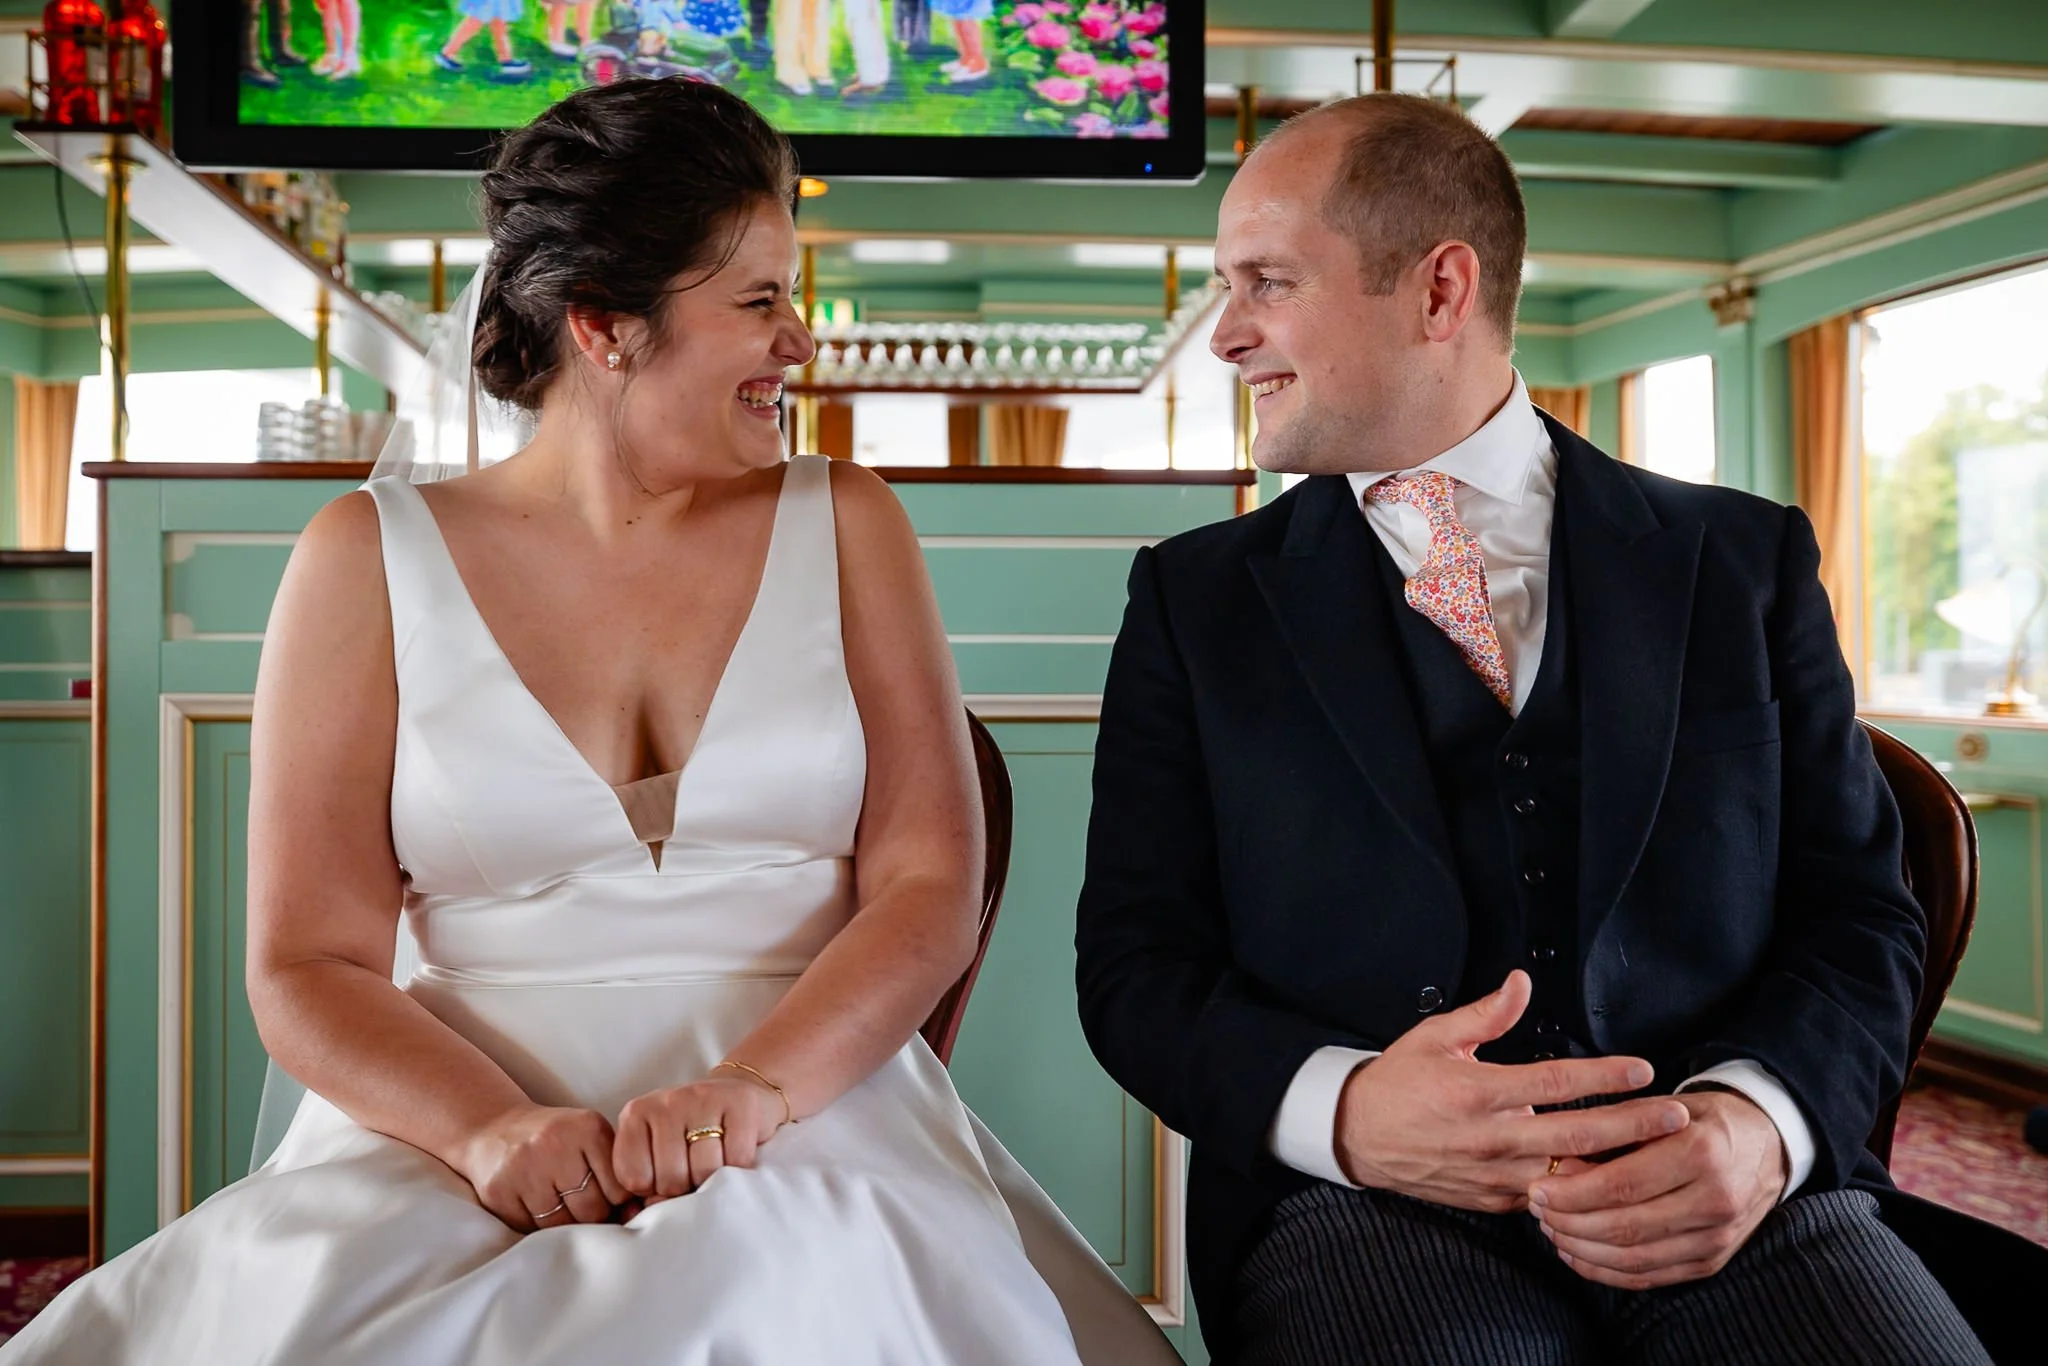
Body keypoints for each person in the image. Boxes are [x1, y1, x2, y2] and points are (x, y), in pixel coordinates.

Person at [2, 79, 1176, 1366]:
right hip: (453, 1130)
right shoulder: (361, 559)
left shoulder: (850, 521)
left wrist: (751, 1091)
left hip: (807, 1106)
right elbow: (305, 965)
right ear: (606, 325)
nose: (799, 342)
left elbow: (926, 886)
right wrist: (487, 1131)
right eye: (758, 302)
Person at [1075, 93, 1998, 1364]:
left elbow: (1859, 915)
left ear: (1439, 289)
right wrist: (1348, 1112)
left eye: (1266, 283)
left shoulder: (1742, 564)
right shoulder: (1193, 604)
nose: (1226, 334)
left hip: (1731, 1201)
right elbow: (1136, 970)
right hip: (1362, 1213)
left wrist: (1756, 1124)